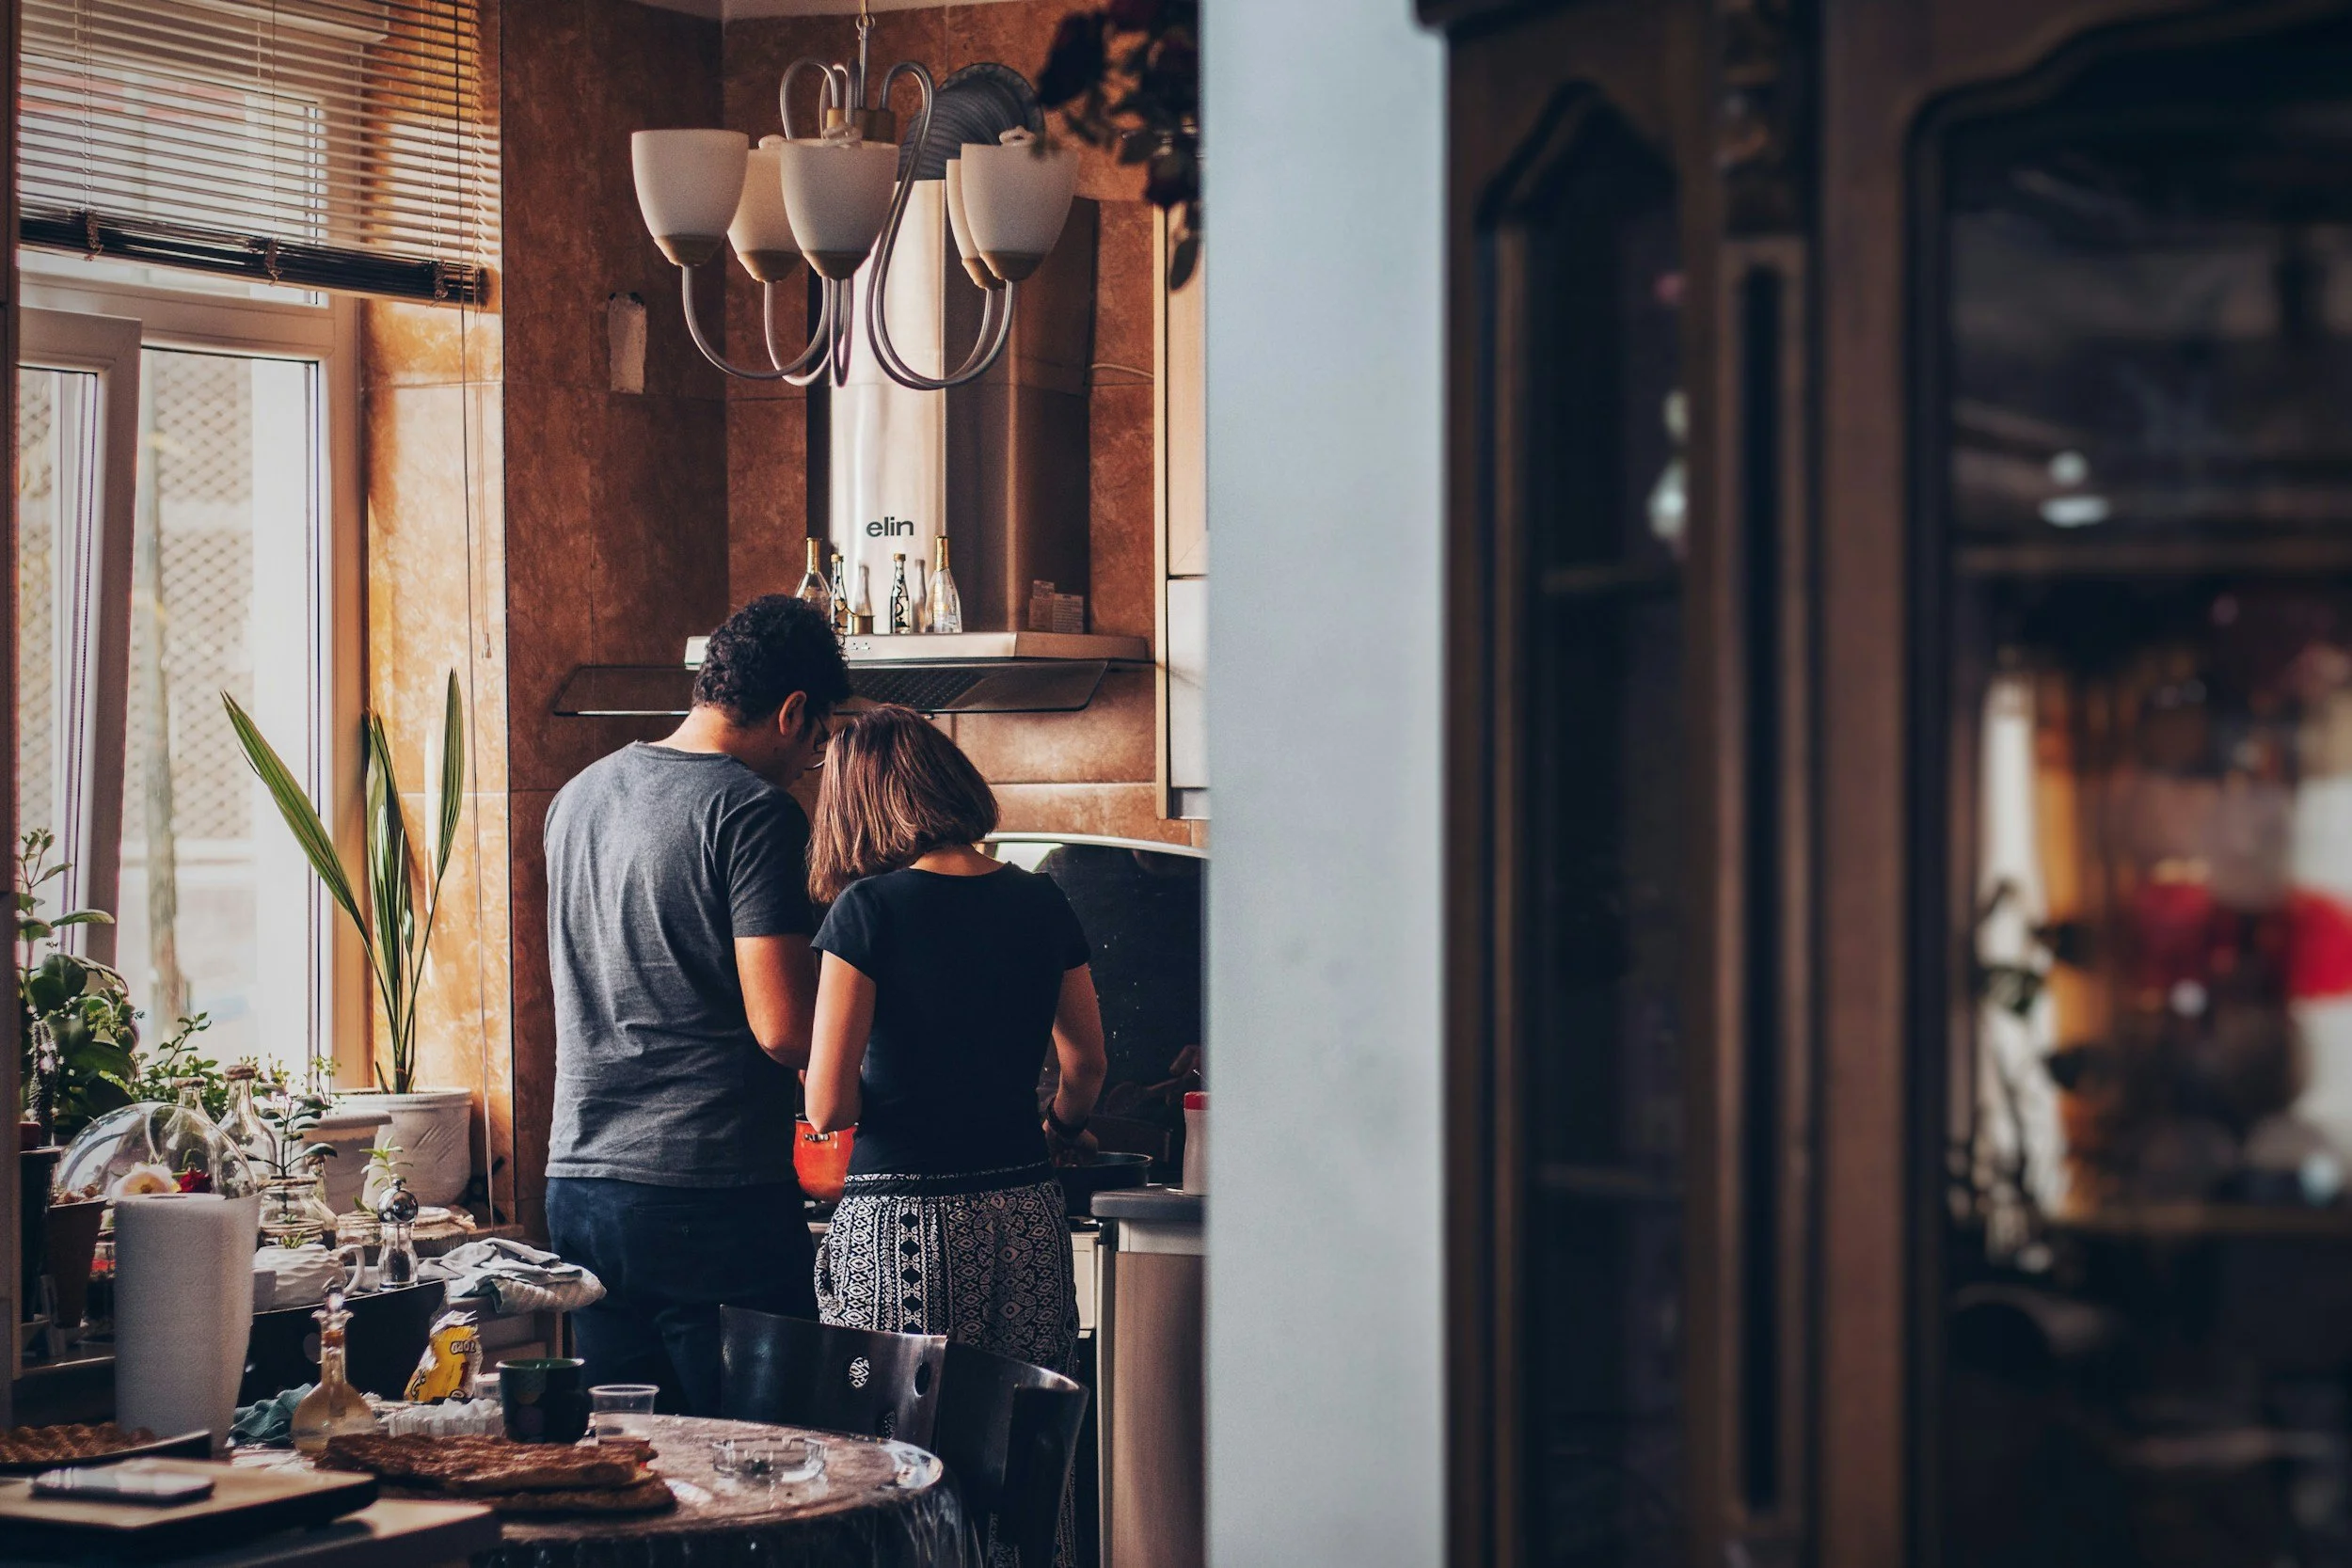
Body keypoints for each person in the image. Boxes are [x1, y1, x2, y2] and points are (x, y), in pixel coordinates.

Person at [542, 594, 849, 1414]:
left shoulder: (576, 798)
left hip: (580, 1184)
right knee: (771, 1472)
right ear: (792, 712)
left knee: (638, 1467)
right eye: (817, 744)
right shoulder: (753, 812)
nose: (807, 765)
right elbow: (785, 1029)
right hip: (705, 1195)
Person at [803, 705, 1107, 1379]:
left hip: (902, 1224)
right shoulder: (1041, 899)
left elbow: (827, 1108)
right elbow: (1085, 1063)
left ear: (857, 806)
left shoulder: (868, 910)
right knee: (1024, 1439)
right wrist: (1060, 1128)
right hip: (1026, 1210)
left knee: (899, 1453)